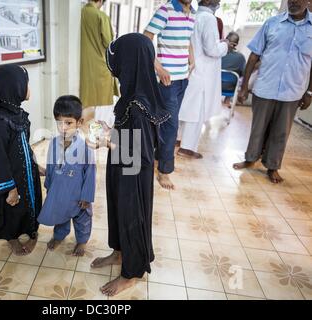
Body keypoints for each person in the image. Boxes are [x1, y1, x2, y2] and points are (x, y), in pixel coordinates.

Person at [89, 33, 170, 296]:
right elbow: (132, 139)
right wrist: (111, 130)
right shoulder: (131, 97)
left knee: (132, 217)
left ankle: (132, 273)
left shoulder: (138, 105)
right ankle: (119, 253)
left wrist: (106, 141)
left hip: (133, 176)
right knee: (117, 211)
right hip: (122, 168)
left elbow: (140, 155)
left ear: (129, 63)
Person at [233, 0, 312, 183]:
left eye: (299, 0)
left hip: (293, 89)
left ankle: (273, 166)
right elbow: (254, 55)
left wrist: (309, 92)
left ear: (308, 1)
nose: (294, 3)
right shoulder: (272, 23)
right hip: (265, 86)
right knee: (258, 127)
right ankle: (250, 159)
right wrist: (244, 86)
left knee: (281, 131)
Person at [0, 65, 43, 256]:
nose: (28, 89)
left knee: (32, 202)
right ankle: (11, 236)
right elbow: (0, 158)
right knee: (13, 209)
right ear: (15, 87)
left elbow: (25, 144)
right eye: (26, 84)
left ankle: (32, 231)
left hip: (28, 172)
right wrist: (11, 187)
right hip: (12, 178)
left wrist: (35, 165)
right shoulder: (0, 123)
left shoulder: (19, 114)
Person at [143, 0, 196, 190]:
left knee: (166, 122)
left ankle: (157, 157)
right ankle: (164, 171)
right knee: (171, 126)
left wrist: (192, 58)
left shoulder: (193, 13)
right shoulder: (165, 10)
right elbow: (146, 38)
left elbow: (188, 39)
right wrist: (158, 67)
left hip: (183, 79)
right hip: (167, 80)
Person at [38, 96, 96, 257]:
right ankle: (59, 236)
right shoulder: (54, 143)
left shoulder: (86, 146)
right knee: (60, 214)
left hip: (78, 194)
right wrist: (49, 185)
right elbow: (50, 166)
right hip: (60, 190)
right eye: (59, 122)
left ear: (79, 121)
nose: (63, 127)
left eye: (68, 122)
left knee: (82, 218)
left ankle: (82, 241)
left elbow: (90, 173)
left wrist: (86, 196)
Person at [177, 0, 233, 159]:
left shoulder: (192, 15)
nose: (219, 2)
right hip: (203, 73)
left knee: (185, 108)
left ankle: (177, 139)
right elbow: (212, 49)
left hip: (191, 69)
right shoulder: (208, 19)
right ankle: (187, 148)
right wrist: (226, 45)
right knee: (197, 111)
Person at [80, 0, 119, 129]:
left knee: (87, 99)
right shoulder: (101, 16)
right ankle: (100, 132)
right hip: (101, 66)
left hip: (84, 66)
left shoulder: (81, 12)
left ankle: (87, 129)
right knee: (103, 101)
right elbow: (109, 43)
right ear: (101, 1)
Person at [222, 31, 246, 106]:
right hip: (229, 89)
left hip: (213, 86)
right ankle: (227, 100)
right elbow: (243, 74)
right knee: (236, 76)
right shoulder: (241, 57)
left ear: (225, 40)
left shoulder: (218, 53)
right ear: (237, 44)